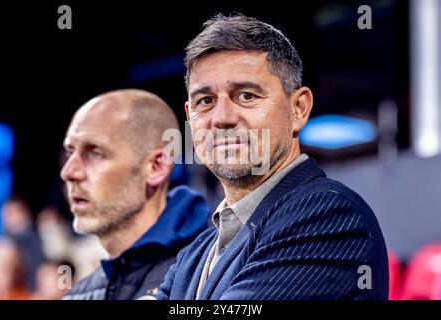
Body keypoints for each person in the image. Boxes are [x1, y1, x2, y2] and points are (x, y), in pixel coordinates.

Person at [157, 14, 389, 300]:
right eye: (205, 101)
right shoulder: (194, 256)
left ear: (298, 109)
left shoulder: (327, 216)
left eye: (245, 95)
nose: (221, 118)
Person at [60, 89, 210, 299]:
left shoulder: (212, 276)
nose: (68, 172)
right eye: (70, 152)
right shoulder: (77, 295)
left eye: (95, 153)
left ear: (156, 167)